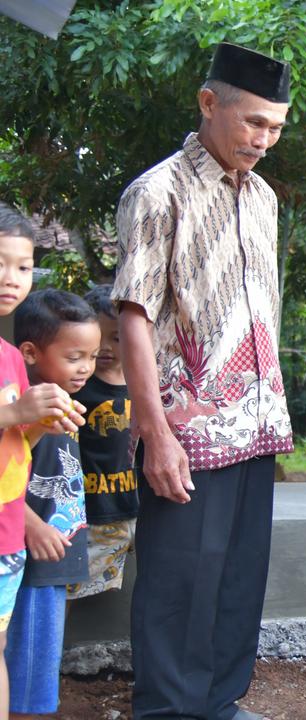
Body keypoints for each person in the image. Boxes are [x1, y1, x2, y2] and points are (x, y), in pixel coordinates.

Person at [113, 43, 294, 720]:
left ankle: (218, 702)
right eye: (253, 123)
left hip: (255, 423)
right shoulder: (158, 192)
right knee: (178, 581)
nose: (263, 140)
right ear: (209, 104)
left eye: (275, 128)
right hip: (185, 430)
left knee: (238, 579)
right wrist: (153, 432)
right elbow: (134, 315)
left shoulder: (265, 197)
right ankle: (166, 710)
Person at [0, 206, 84, 720]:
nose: (11, 278)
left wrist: (36, 423)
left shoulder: (10, 356)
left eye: (24, 266)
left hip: (6, 532)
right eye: (0, 262)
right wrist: (14, 410)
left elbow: (12, 448)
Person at [7, 289, 98, 717]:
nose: (86, 367)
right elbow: (8, 476)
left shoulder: (64, 401)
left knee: (39, 661)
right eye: (74, 355)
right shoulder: (21, 405)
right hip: (29, 554)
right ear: (30, 352)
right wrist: (32, 526)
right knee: (26, 667)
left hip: (53, 548)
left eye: (92, 356)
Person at [67, 284, 137, 600]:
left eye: (117, 338)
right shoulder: (76, 388)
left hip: (135, 508)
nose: (106, 347)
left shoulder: (144, 388)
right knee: (67, 587)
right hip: (90, 512)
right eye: (98, 338)